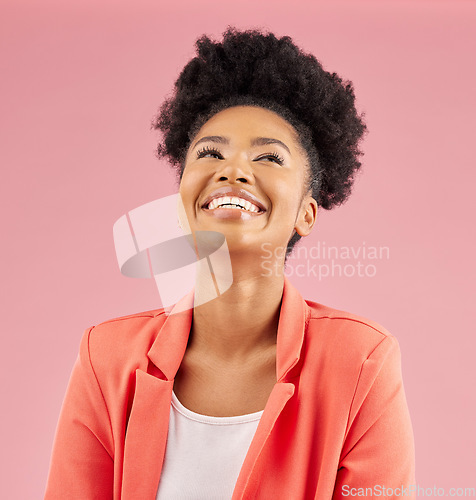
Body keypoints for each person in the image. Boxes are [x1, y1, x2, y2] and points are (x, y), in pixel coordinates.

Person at [45, 27, 415, 499]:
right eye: (210, 153)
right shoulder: (107, 358)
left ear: (306, 213)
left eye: (268, 157)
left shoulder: (361, 361)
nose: (234, 169)